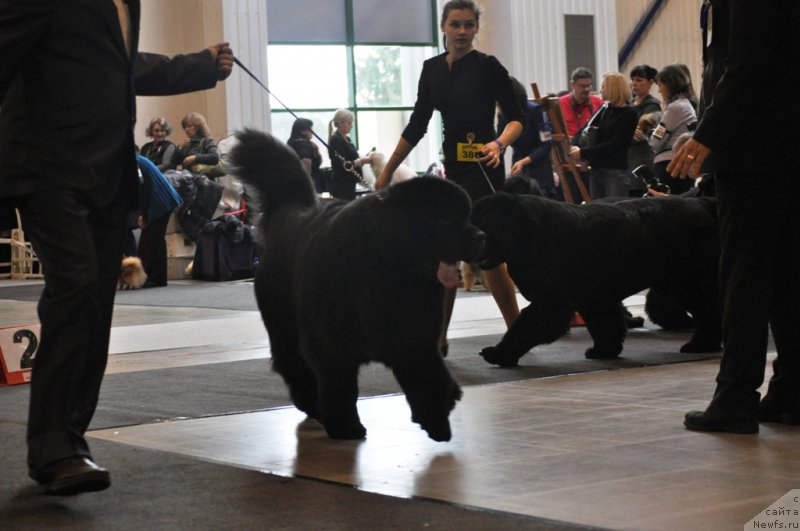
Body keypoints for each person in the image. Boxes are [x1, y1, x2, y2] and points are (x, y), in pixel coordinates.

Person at [0, 0, 233, 494]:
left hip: (108, 175)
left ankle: (68, 440)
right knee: (77, 285)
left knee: (97, 299)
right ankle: (54, 447)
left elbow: (121, 66)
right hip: (46, 169)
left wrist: (200, 64)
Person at [669, 0, 800, 434]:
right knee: (785, 273)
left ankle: (735, 398)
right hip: (782, 144)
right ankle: (792, 391)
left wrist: (708, 133)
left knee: (743, 273)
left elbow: (744, 62)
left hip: (752, 148)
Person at [375, 0, 524, 351]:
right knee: (446, 254)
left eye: (468, 25)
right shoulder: (430, 70)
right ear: (443, 26)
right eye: (455, 24)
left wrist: (499, 144)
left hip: (485, 168)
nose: (461, 31)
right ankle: (439, 337)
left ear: (476, 29)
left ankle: (517, 332)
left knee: (490, 256)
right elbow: (417, 125)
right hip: (453, 171)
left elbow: (517, 117)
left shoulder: (489, 67)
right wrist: (387, 172)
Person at [568, 72, 637, 199]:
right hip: (596, 169)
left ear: (613, 88)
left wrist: (583, 153)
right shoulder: (604, 109)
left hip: (615, 171)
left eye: (603, 87)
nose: (600, 90)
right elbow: (584, 129)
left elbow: (615, 145)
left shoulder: (629, 114)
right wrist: (574, 146)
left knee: (614, 212)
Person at [506, 78, 559, 200]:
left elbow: (546, 145)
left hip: (540, 171)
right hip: (518, 172)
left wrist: (523, 161)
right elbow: (500, 144)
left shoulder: (536, 110)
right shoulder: (504, 114)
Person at [650, 64, 697, 195]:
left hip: (669, 167)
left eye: (660, 85)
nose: (659, 90)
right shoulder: (685, 104)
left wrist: (651, 134)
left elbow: (656, 141)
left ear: (669, 85)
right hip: (679, 166)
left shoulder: (674, 108)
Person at [136, 155, 183, 288]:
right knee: (153, 240)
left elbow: (143, 188)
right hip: (161, 200)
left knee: (156, 240)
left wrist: (142, 214)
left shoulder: (134, 163)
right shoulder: (137, 160)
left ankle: (158, 278)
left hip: (161, 201)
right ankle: (153, 276)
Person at [626, 64, 661, 196]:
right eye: (633, 79)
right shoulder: (629, 104)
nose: (634, 83)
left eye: (639, 80)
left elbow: (640, 134)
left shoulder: (652, 105)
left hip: (642, 159)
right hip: (628, 160)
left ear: (650, 82)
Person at [327, 108, 371, 201]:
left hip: (350, 183)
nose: (352, 126)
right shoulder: (336, 140)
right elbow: (342, 165)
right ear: (340, 123)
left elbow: (351, 159)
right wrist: (361, 161)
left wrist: (361, 160)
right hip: (341, 185)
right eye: (349, 123)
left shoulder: (348, 139)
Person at [288, 117, 323, 193]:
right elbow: (306, 161)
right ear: (302, 131)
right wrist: (307, 183)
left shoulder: (291, 143)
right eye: (310, 129)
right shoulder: (304, 145)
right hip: (309, 186)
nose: (312, 132)